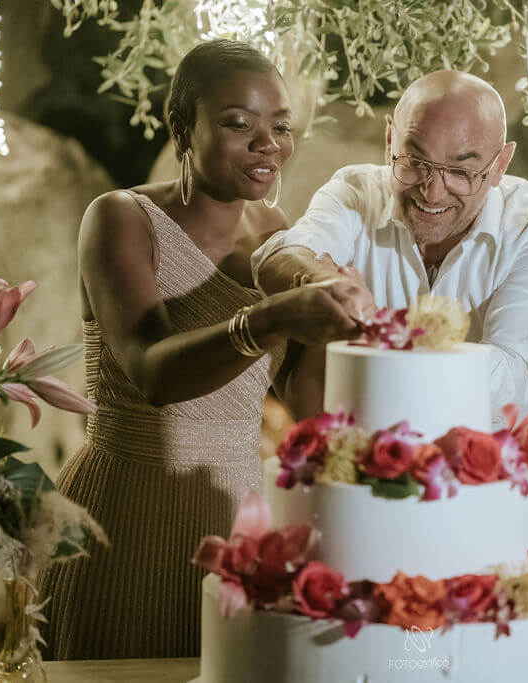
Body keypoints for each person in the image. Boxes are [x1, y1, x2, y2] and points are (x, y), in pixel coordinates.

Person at [40, 40, 362, 660]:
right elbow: (150, 371)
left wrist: (332, 320)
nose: (267, 143)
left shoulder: (276, 235)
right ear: (181, 126)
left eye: (280, 127)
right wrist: (271, 319)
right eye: (238, 123)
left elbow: (306, 404)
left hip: (236, 519)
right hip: (125, 511)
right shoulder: (119, 218)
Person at [251, 70, 528, 551]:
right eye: (415, 161)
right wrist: (329, 284)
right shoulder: (354, 192)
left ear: (501, 162)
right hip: (359, 503)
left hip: (493, 504)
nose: (432, 191)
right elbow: (275, 258)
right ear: (389, 140)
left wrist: (380, 332)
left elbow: (508, 381)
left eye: (462, 171)